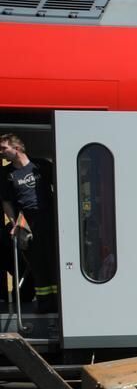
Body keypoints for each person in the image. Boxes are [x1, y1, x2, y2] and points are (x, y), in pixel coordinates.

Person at [0, 134, 58, 313]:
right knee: (37, 263)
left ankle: (59, 301)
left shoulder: (42, 166)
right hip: (26, 222)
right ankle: (44, 302)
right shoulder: (6, 174)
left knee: (53, 260)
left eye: (4, 148)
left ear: (16, 148)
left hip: (49, 219)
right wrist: (14, 224)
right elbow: (6, 202)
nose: (1, 152)